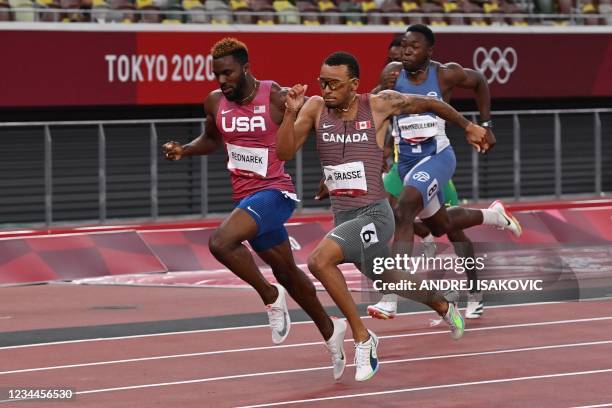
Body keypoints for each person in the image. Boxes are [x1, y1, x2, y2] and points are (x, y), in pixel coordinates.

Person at [277, 51, 488, 381]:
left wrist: (469, 125)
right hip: (343, 216)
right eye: (323, 82)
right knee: (388, 279)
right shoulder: (315, 108)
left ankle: (364, 339)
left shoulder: (378, 104)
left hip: (375, 214)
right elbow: (284, 152)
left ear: (354, 84)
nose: (326, 89)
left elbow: (431, 105)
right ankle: (444, 305)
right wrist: (290, 114)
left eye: (334, 83)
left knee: (319, 261)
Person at [162, 38, 346, 381]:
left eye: (228, 73)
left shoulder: (276, 96)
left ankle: (269, 295)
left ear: (246, 68)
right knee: (288, 271)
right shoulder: (215, 102)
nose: (221, 80)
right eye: (217, 74)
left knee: (220, 242)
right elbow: (213, 139)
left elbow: (325, 128)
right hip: (245, 198)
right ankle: (330, 329)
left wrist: (331, 171)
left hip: (275, 193)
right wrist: (184, 150)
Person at [368, 25, 522, 321]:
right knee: (440, 224)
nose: (405, 52)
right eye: (402, 47)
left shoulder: (445, 74)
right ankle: (495, 216)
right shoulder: (391, 73)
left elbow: (479, 82)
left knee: (407, 211)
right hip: (406, 163)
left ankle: (393, 294)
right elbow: (376, 107)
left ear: (429, 51)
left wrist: (486, 125)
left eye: (413, 47)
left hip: (437, 157)